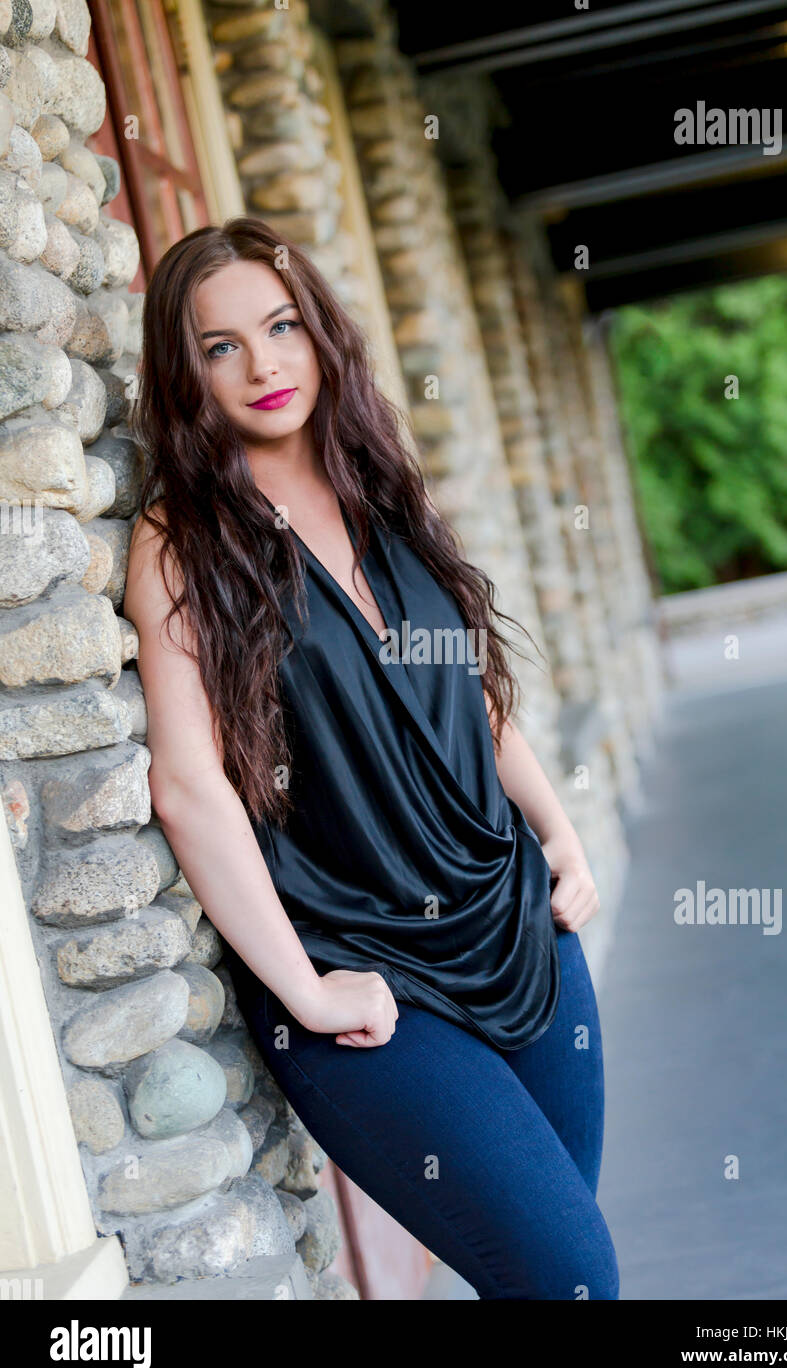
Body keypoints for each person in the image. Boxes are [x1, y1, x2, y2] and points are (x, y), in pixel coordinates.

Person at [124, 216, 619, 1300]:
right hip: (359, 965)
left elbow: (469, 702)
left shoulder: (384, 486)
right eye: (219, 346)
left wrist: (557, 830)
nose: (260, 366)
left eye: (281, 327)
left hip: (513, 927)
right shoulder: (183, 541)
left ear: (320, 336)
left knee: (555, 1272)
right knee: (567, 1271)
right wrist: (301, 989)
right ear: (184, 370)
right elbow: (190, 783)